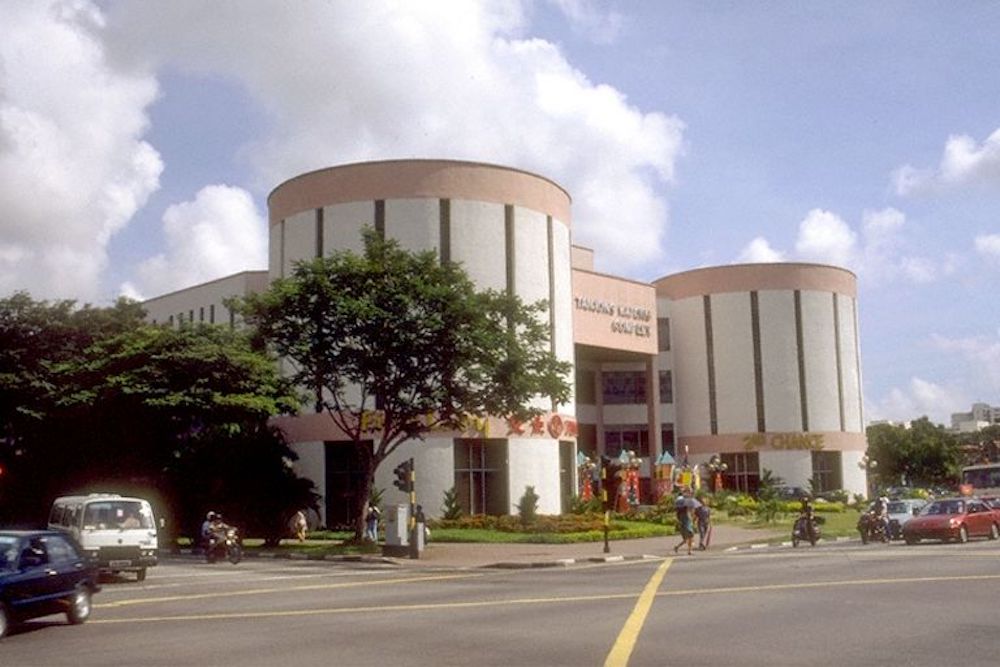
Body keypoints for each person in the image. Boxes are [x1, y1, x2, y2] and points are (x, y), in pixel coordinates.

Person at [672, 488, 696, 555]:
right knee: (690, 536)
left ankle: (677, 547)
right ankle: (689, 551)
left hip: (683, 525)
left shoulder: (679, 512)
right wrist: (692, 517)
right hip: (686, 525)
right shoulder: (685, 512)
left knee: (686, 539)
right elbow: (689, 517)